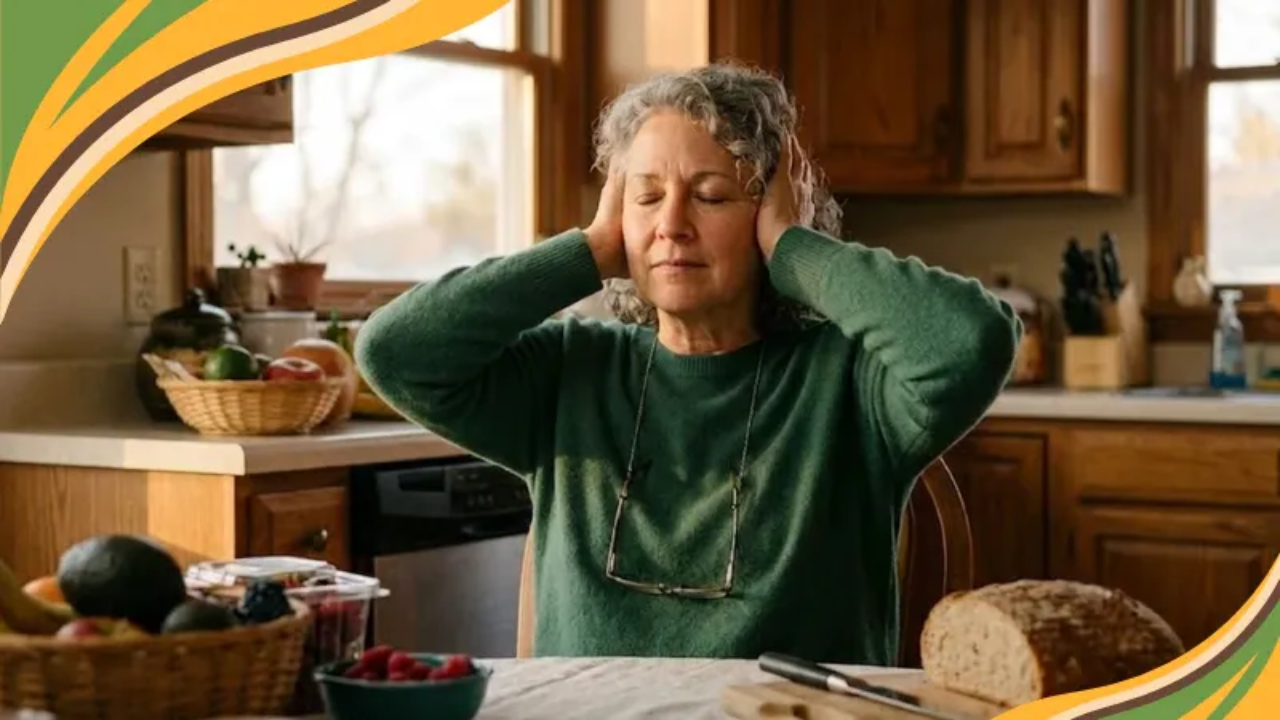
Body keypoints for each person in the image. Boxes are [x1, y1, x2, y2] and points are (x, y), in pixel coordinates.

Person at [356, 62, 1021, 666]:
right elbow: (393, 353)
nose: (671, 224)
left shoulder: (850, 385)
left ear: (771, 213)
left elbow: (969, 342)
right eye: (646, 198)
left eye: (710, 195)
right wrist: (587, 251)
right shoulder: (570, 372)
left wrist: (793, 248)